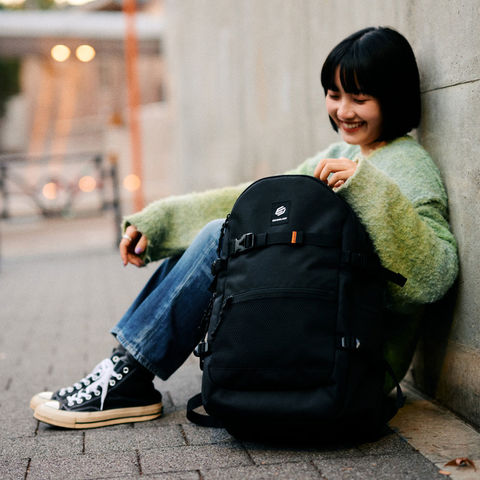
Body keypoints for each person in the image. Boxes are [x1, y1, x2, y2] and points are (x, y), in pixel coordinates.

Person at [31, 26, 458, 429]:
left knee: (221, 235)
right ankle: (127, 369)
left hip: (356, 360)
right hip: (316, 332)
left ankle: (128, 374)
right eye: (334, 95)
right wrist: (161, 222)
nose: (343, 111)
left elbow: (435, 276)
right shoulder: (337, 155)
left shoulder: (409, 166)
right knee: (223, 235)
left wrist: (370, 189)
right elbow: (253, 203)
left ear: (393, 98)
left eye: (359, 99)